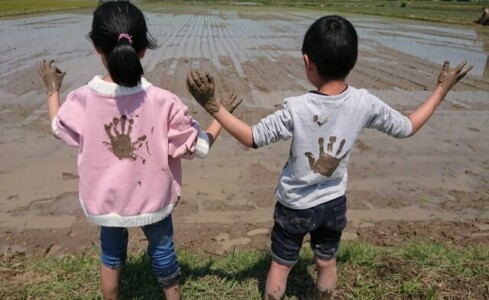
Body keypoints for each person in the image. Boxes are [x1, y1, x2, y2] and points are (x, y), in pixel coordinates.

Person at [185, 15, 472, 300]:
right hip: (334, 202)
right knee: (326, 261)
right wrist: (440, 90)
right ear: (354, 59)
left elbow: (252, 137)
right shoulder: (364, 103)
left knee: (282, 264)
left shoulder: (296, 108)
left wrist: (214, 108)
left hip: (295, 205)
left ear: (308, 63)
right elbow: (408, 127)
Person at [37, 2, 240, 300]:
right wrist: (219, 113)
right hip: (152, 199)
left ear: (97, 47)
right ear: (143, 49)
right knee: (162, 252)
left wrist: (52, 89)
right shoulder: (164, 101)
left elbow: (57, 126)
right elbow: (200, 146)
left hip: (107, 203)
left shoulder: (83, 99)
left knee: (111, 256)